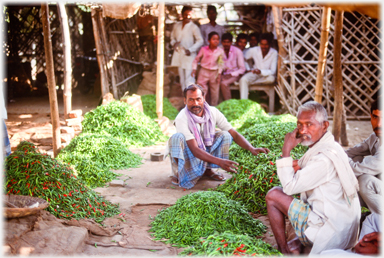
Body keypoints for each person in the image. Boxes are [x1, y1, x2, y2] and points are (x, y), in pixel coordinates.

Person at [265, 101, 361, 255]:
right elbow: (307, 169)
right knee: (295, 241)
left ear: (324, 126)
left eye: (309, 124)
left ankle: (283, 251)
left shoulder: (323, 158)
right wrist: (296, 166)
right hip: (341, 225)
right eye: (300, 124)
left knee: (273, 195)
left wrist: (286, 150)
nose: (303, 130)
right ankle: (297, 245)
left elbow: (289, 187)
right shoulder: (332, 147)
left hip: (329, 228)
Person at [167, 84, 269, 189]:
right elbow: (194, 149)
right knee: (177, 138)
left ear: (204, 98)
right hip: (191, 151)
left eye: (198, 99)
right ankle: (180, 172)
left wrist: (251, 148)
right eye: (191, 100)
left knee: (225, 135)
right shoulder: (182, 118)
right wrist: (220, 162)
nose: (195, 103)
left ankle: (207, 170)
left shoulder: (213, 112)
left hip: (204, 148)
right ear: (185, 101)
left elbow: (233, 133)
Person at [346, 97, 381, 214]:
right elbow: (352, 152)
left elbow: (356, 168)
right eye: (375, 117)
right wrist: (332, 156)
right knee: (356, 158)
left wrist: (334, 163)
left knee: (365, 181)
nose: (379, 124)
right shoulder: (375, 137)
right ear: (370, 116)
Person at [170, 6, 203, 91]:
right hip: (179, 54)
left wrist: (191, 49)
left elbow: (200, 40)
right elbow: (172, 38)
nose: (187, 17)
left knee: (189, 80)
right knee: (182, 80)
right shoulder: (177, 25)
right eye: (185, 14)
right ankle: (185, 100)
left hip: (189, 56)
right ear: (182, 14)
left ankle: (191, 100)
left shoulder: (193, 27)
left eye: (189, 15)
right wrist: (174, 43)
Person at [239, 33, 278, 99]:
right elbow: (243, 57)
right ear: (259, 44)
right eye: (262, 44)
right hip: (255, 73)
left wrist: (261, 71)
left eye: (266, 44)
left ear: (270, 45)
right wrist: (248, 68)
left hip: (266, 76)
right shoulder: (254, 50)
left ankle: (251, 82)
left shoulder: (274, 53)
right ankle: (243, 101)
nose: (263, 46)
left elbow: (273, 71)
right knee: (243, 79)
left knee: (271, 79)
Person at [191, 31, 225, 107]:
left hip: (214, 72)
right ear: (209, 40)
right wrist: (194, 69)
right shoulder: (203, 49)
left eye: (217, 39)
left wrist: (219, 74)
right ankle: (200, 106)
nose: (216, 41)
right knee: (201, 90)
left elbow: (221, 63)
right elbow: (196, 59)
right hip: (204, 71)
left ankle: (214, 108)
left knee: (215, 91)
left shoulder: (220, 51)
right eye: (213, 39)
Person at [219, 32, 246, 101]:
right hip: (223, 74)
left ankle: (228, 103)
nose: (226, 44)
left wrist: (230, 75)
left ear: (231, 42)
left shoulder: (237, 51)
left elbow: (242, 69)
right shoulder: (219, 50)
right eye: (224, 42)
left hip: (235, 74)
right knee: (214, 82)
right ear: (221, 42)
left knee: (224, 84)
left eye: (228, 42)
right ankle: (217, 103)